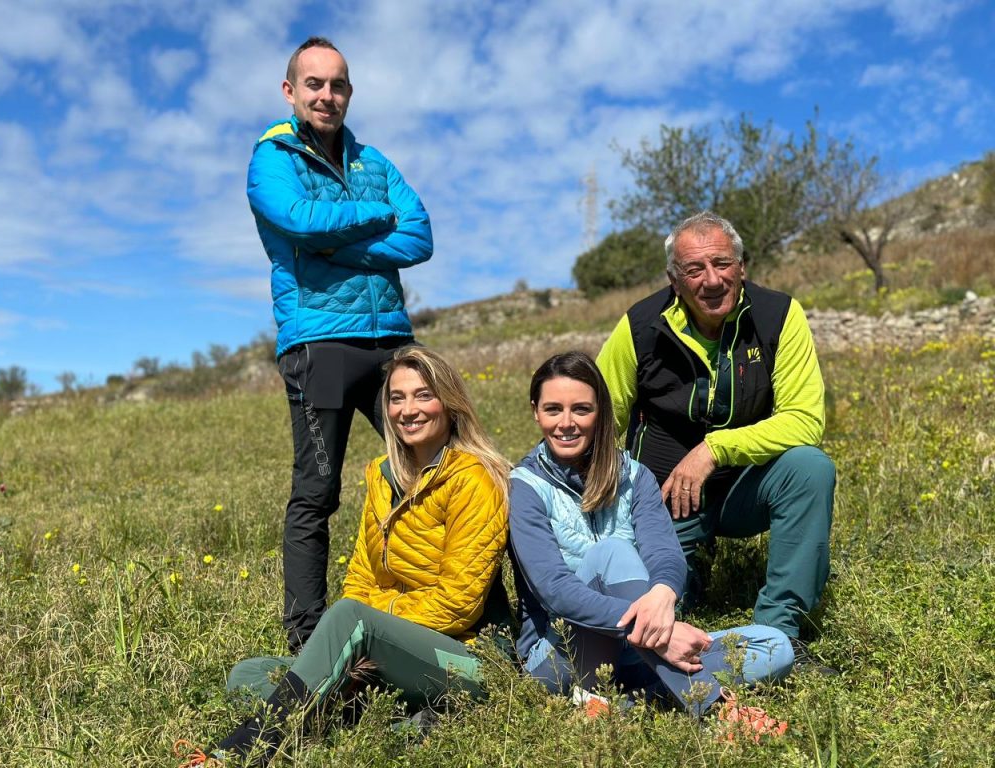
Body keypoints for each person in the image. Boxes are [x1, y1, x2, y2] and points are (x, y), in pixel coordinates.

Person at [180, 347, 510, 765]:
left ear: (450, 402)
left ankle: (243, 751)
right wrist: (362, 645)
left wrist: (370, 635)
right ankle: (408, 722)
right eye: (396, 398)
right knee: (247, 675)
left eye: (423, 395)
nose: (408, 410)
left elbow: (458, 604)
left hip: (468, 660)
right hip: (388, 652)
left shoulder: (474, 479)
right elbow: (360, 578)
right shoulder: (381, 476)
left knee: (349, 620)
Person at [247, 36, 433, 652]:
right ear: (291, 91)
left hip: (392, 344)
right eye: (315, 84)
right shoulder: (271, 158)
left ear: (349, 92)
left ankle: (466, 608)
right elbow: (296, 220)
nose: (328, 95)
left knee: (439, 468)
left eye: (339, 85)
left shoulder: (373, 161)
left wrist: (339, 246)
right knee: (318, 492)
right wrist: (374, 218)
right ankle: (307, 642)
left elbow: (420, 235)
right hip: (319, 345)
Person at [596, 211, 835, 662]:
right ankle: (692, 577)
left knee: (810, 468)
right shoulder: (639, 326)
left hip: (746, 489)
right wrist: (617, 507)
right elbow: (600, 422)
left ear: (742, 266)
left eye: (722, 264)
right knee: (656, 623)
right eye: (694, 270)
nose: (711, 280)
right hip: (664, 502)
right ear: (674, 279)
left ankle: (778, 635)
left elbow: (804, 418)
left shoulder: (779, 316)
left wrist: (713, 449)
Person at [509, 351, 793, 717]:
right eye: (553, 410)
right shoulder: (526, 485)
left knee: (775, 645)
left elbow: (665, 554)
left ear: (601, 412)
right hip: (562, 652)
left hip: (638, 650)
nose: (567, 423)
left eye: (581, 409)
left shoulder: (635, 476)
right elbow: (556, 591)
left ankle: (628, 703)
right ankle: (712, 711)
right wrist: (661, 634)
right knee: (612, 553)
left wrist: (663, 594)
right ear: (536, 411)